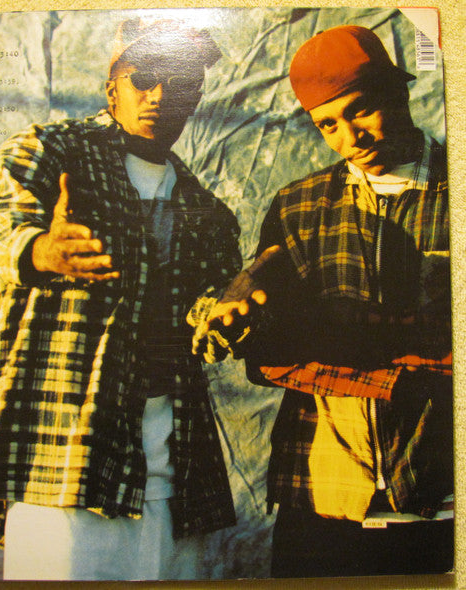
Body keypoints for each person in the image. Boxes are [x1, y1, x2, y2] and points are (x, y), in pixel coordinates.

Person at [0, 17, 242, 581]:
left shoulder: (205, 208)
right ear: (113, 84)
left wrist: (226, 315)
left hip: (173, 474)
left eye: (179, 83)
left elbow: (207, 311)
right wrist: (41, 249)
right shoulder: (51, 151)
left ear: (196, 99)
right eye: (144, 78)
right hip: (63, 460)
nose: (159, 96)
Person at [188, 25, 453, 577]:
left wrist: (344, 342)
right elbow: (267, 340)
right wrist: (235, 313)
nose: (350, 137)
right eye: (328, 124)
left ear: (397, 93)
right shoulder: (299, 207)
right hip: (321, 496)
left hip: (444, 499)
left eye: (361, 111)